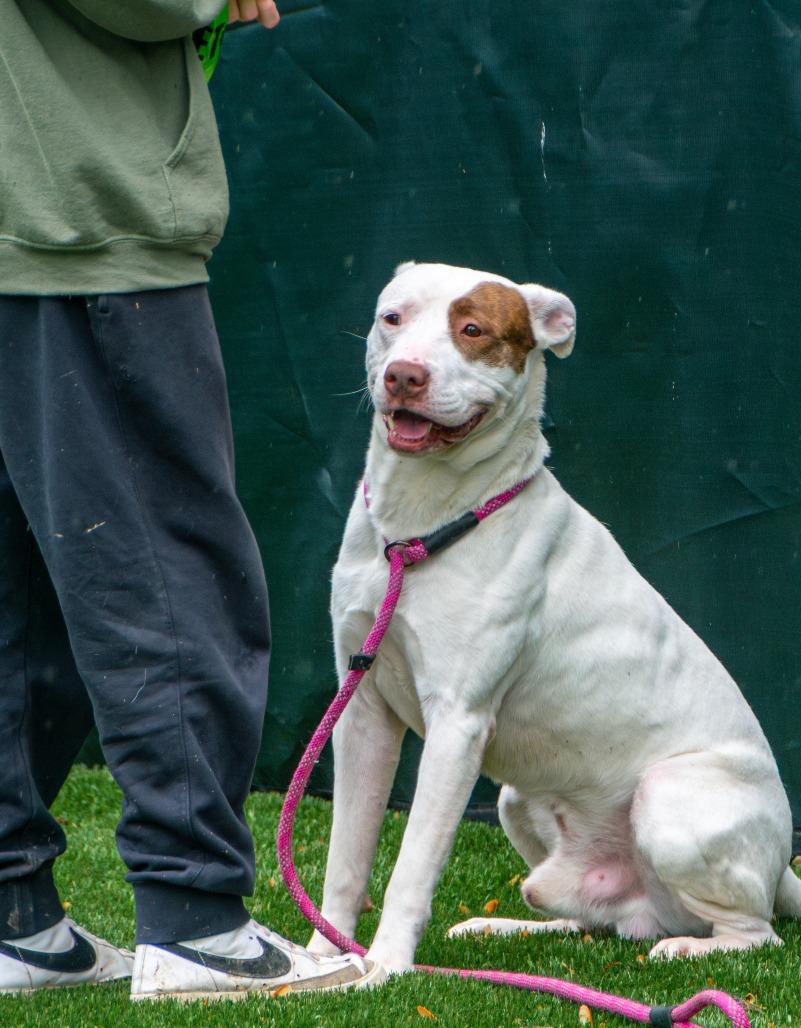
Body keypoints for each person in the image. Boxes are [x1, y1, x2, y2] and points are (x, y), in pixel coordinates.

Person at [0, 0, 369, 1000]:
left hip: (28, 218)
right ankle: (195, 918)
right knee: (164, 571)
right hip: (75, 211)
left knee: (22, 594)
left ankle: (15, 919)